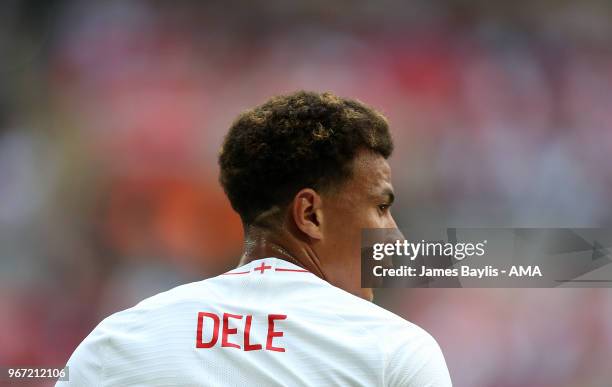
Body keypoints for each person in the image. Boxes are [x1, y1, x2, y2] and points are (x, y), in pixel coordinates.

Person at [58, 91, 452, 386]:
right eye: (380, 208)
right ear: (310, 215)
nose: (396, 238)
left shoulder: (117, 341)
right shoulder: (394, 351)